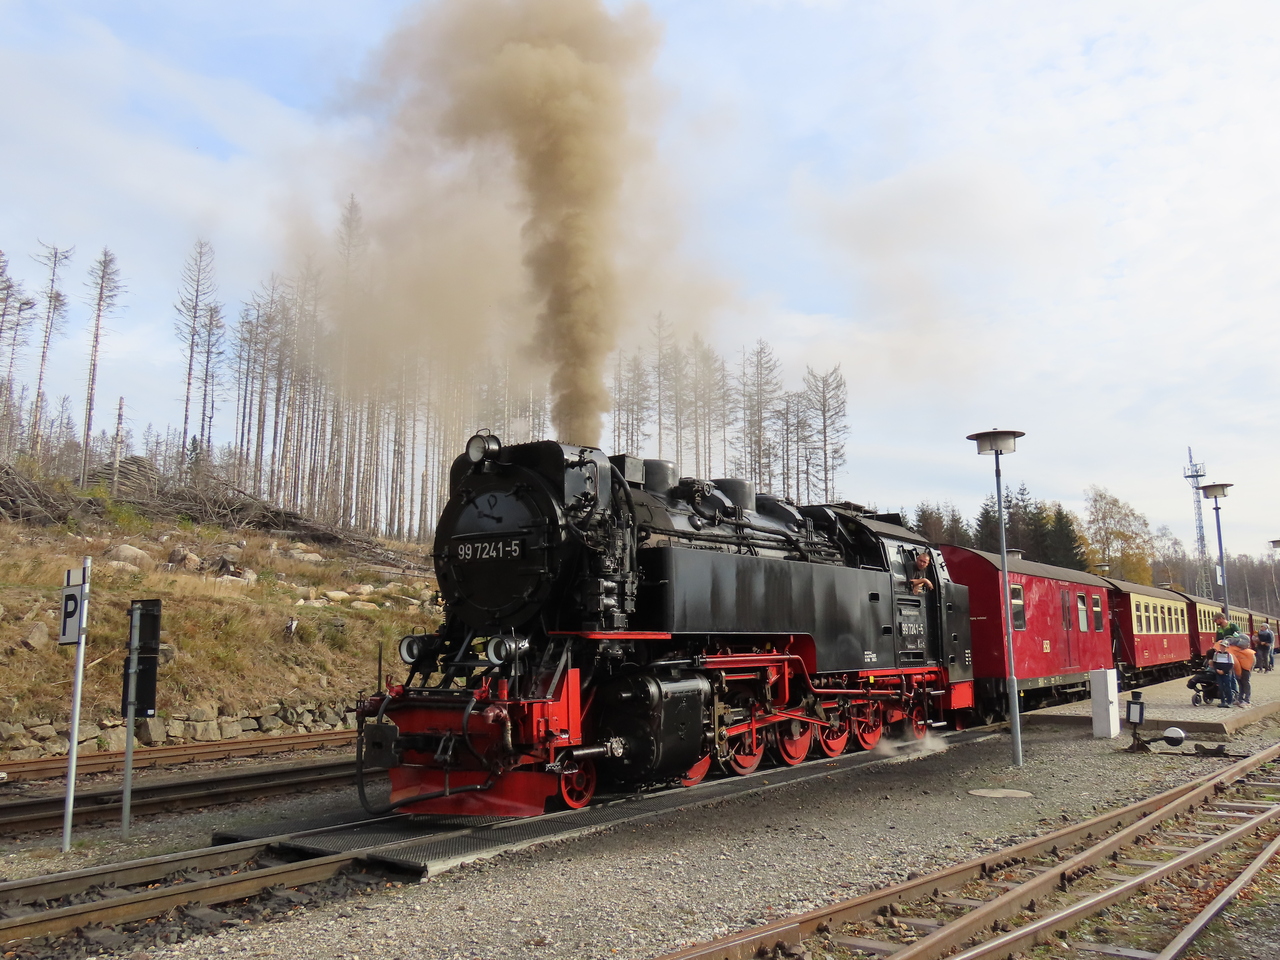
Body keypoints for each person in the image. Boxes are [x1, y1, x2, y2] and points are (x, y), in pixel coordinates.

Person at [1230, 636, 1255, 708]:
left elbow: (1253, 661)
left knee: (1245, 684)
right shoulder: (1237, 651)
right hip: (1239, 669)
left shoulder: (1249, 653)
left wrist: (1250, 669)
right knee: (1240, 684)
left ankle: (1247, 699)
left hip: (1245, 670)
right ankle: (1240, 698)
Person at [1211, 639, 1237, 708]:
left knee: (1228, 687)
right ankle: (1222, 701)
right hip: (1218, 673)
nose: (1222, 648)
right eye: (1222, 646)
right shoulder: (1216, 654)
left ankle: (1229, 701)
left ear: (1226, 647)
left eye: (1224, 646)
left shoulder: (1229, 655)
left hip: (1226, 674)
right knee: (1220, 687)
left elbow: (1230, 665)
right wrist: (1217, 670)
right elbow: (1214, 663)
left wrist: (1224, 671)